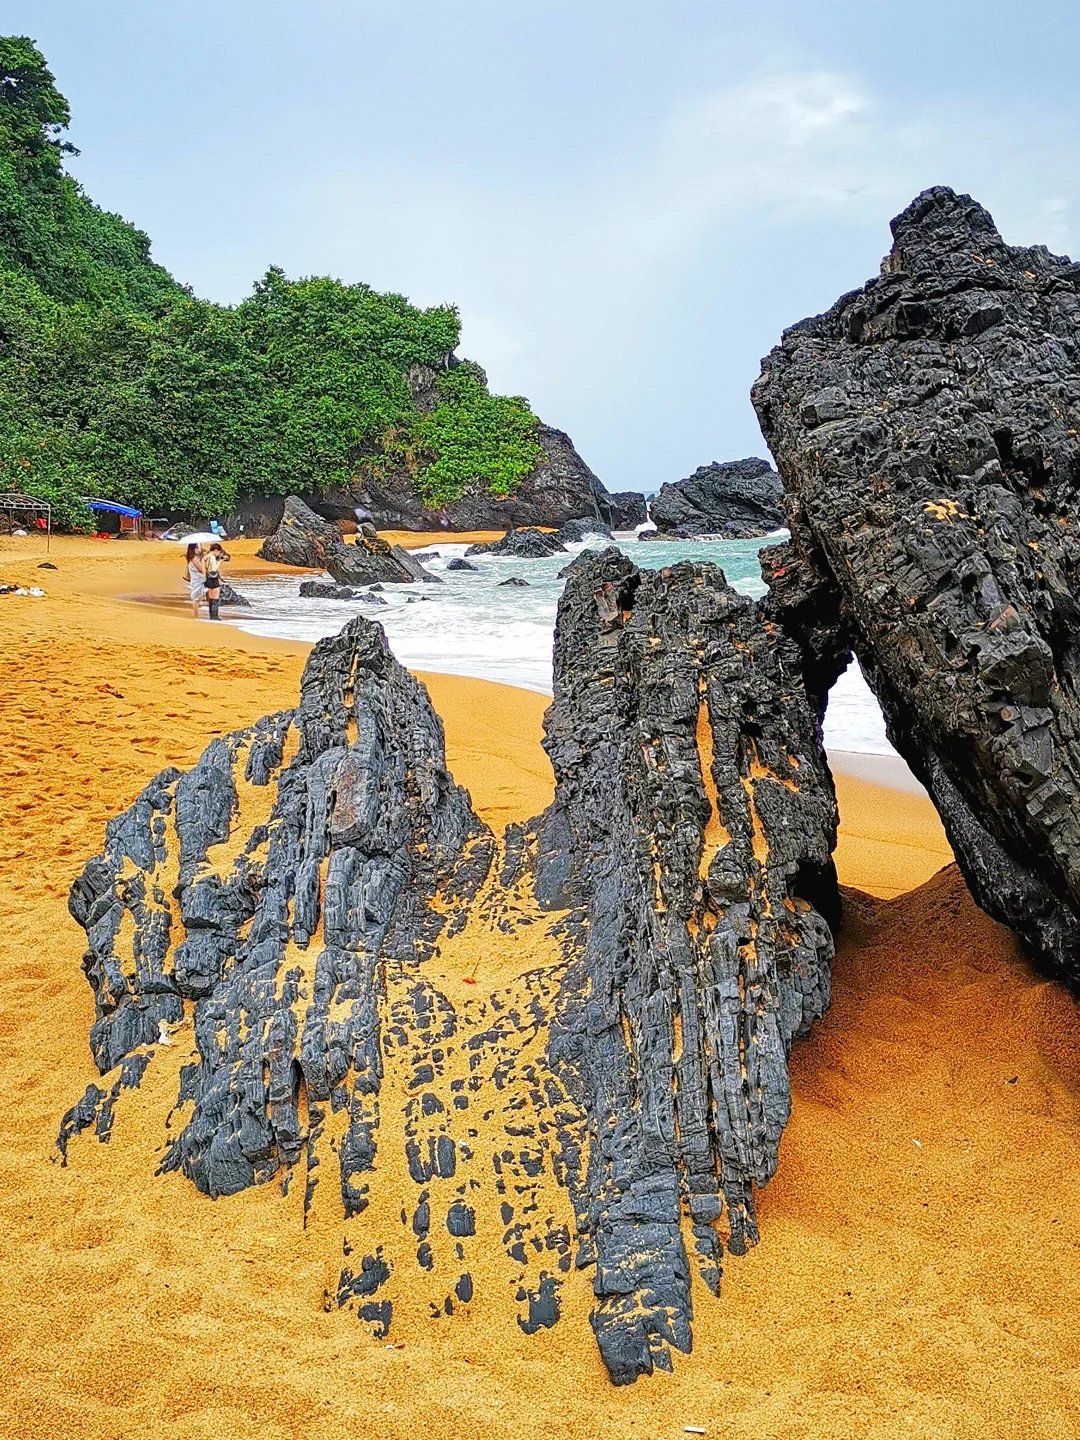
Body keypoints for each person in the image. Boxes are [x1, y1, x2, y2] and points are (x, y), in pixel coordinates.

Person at [204, 542, 230, 620]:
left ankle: (212, 616)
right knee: (215, 598)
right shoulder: (212, 557)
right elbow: (214, 569)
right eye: (219, 552)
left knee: (211, 598)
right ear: (216, 550)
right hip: (213, 578)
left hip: (208, 577)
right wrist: (219, 562)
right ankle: (214, 616)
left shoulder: (207, 557)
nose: (219, 554)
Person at [185, 542, 206, 618]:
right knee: (196, 598)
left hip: (197, 580)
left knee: (197, 597)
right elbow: (201, 569)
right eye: (196, 547)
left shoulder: (194, 558)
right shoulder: (194, 559)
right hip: (197, 580)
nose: (198, 549)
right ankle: (196, 615)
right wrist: (203, 560)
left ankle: (196, 614)